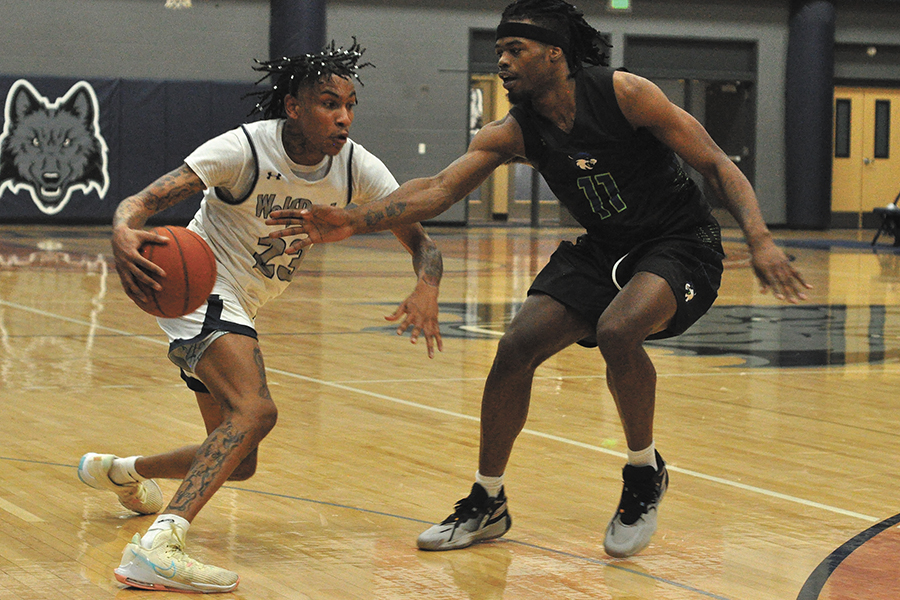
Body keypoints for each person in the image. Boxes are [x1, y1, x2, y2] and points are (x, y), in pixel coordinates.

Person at [266, 0, 811, 559]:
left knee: (620, 329)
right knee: (516, 346)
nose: (501, 61)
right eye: (498, 50)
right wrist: (354, 219)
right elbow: (439, 188)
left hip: (681, 242)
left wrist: (761, 239)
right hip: (604, 251)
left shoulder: (625, 94)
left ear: (555, 54)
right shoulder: (515, 131)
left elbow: (718, 163)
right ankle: (488, 500)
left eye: (513, 50)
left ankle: (644, 473)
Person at [78, 40, 443, 593]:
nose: (343, 116)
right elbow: (140, 201)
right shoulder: (243, 150)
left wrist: (426, 285)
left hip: (242, 303)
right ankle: (156, 547)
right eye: (328, 103)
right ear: (293, 107)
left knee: (238, 456)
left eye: (350, 104)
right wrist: (122, 228)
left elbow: (423, 241)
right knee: (256, 410)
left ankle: (123, 471)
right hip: (199, 288)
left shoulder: (356, 165)